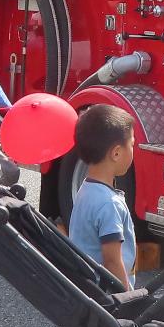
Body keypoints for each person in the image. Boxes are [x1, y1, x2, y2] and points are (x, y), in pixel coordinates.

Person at [68, 104, 137, 291]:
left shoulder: (85, 190)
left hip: (88, 289)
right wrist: (128, 300)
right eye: (131, 144)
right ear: (116, 153)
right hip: (108, 298)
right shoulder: (109, 204)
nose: (133, 150)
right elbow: (113, 261)